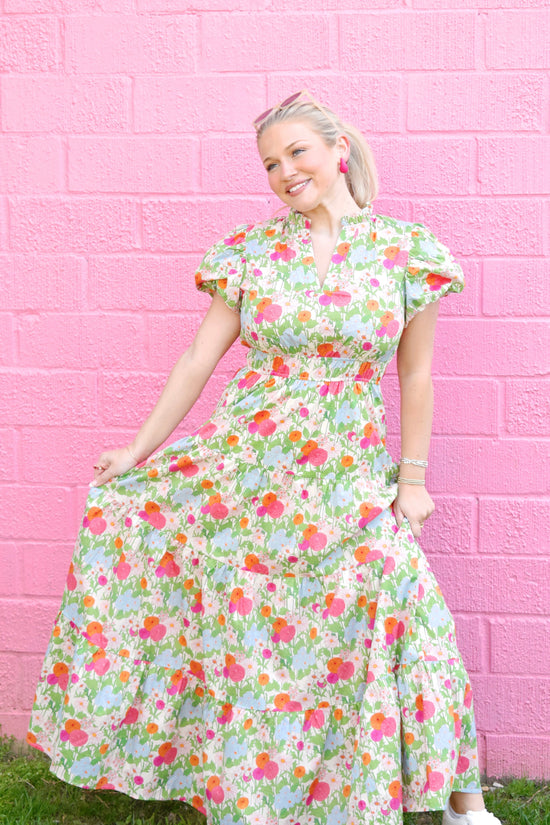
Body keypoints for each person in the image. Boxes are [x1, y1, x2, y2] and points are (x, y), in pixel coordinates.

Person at [27, 90, 501, 825]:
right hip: (246, 465)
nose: (285, 172)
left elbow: (416, 375)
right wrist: (139, 449)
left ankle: (464, 806)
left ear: (339, 148)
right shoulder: (251, 253)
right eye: (271, 164)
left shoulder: (408, 252)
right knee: (253, 625)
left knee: (410, 607)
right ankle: (253, 789)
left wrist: (412, 479)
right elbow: (198, 358)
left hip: (344, 469)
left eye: (296, 152)